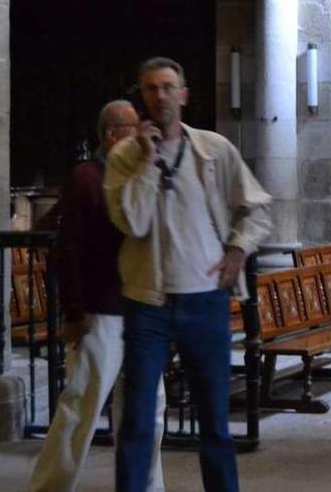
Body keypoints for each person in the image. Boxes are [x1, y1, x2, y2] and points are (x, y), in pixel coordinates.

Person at [105, 57, 272, 492]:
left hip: (204, 298)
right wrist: (146, 161)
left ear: (183, 95)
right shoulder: (124, 157)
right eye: (150, 89)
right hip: (148, 302)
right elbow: (133, 223)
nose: (159, 96)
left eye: (167, 87)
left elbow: (257, 208)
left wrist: (237, 247)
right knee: (138, 420)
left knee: (215, 421)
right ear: (141, 96)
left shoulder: (214, 149)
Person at [29, 100, 166, 492]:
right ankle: (50, 487)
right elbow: (68, 248)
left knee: (146, 413)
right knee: (80, 409)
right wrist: (74, 311)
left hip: (141, 312)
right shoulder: (87, 177)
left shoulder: (139, 176)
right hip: (101, 312)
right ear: (111, 135)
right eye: (132, 127)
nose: (141, 134)